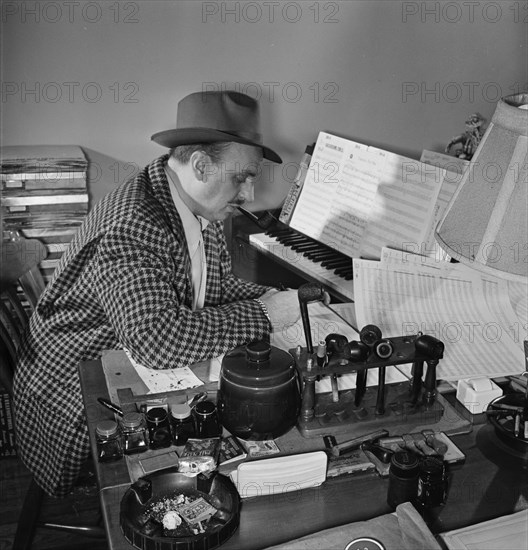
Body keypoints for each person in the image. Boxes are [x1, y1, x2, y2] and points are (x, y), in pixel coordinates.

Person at [13, 90, 301, 497]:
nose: (250, 194)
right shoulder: (133, 226)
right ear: (201, 165)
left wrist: (277, 296)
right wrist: (266, 314)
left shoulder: (185, 197)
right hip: (74, 400)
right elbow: (157, 341)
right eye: (242, 177)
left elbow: (212, 287)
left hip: (117, 367)